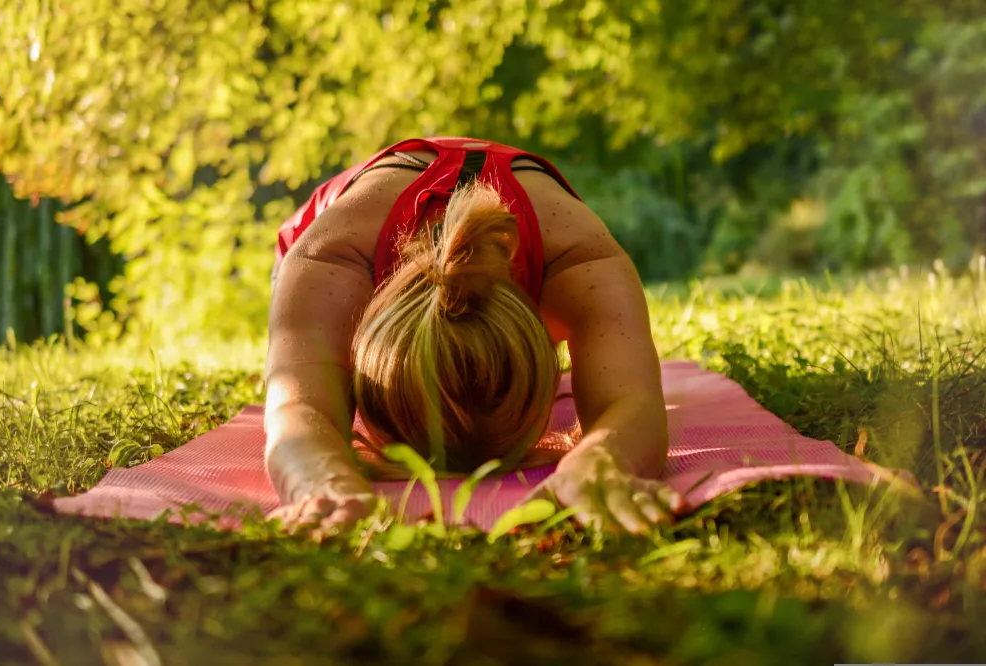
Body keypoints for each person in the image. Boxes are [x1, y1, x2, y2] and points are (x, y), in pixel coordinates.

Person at [264, 137, 683, 535]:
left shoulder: (579, 258)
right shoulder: (331, 256)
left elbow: (634, 403)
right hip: (341, 231)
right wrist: (320, 480)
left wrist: (602, 461)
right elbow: (296, 408)